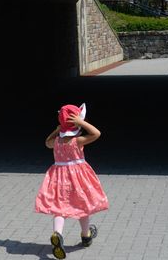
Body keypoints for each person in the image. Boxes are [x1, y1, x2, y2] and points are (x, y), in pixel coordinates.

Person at [35, 103, 109, 259]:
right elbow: (97, 133)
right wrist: (81, 123)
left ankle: (57, 234)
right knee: (82, 205)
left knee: (59, 207)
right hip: (78, 178)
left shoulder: (56, 142)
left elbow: (46, 142)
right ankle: (86, 235)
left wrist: (56, 130)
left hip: (59, 178)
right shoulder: (78, 141)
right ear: (76, 124)